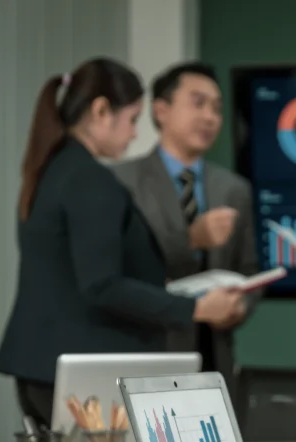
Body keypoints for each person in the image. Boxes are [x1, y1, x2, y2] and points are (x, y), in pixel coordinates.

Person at [0, 57, 244, 427]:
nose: (133, 134)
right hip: (81, 371)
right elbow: (102, 284)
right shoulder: (91, 180)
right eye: (131, 120)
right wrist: (194, 310)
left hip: (38, 364)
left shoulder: (50, 171)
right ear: (100, 111)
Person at [113, 62, 259, 396]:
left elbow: (248, 269)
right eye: (198, 103)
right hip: (147, 350)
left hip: (213, 356)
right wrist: (192, 238)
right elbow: (118, 270)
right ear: (161, 110)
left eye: (217, 108)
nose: (210, 117)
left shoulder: (233, 189)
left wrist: (240, 308)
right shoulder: (122, 182)